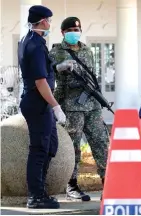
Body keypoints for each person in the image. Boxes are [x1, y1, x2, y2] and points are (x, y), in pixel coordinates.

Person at [18, 5, 74, 209]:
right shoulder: (34, 44)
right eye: (49, 20)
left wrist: (58, 68)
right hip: (38, 102)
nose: (50, 23)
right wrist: (56, 106)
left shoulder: (30, 40)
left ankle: (40, 192)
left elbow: (42, 70)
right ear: (42, 21)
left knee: (50, 146)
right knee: (39, 149)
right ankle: (35, 196)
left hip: (39, 103)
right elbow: (40, 82)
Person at [49, 17, 109, 201]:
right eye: (70, 30)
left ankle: (108, 183)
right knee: (73, 147)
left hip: (92, 105)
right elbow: (48, 74)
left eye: (77, 29)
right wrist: (59, 68)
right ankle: (72, 185)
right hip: (71, 106)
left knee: (101, 143)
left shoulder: (87, 50)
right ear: (63, 33)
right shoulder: (56, 52)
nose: (75, 32)